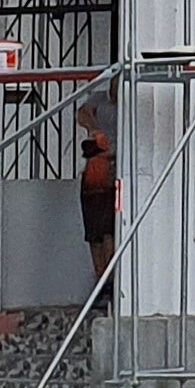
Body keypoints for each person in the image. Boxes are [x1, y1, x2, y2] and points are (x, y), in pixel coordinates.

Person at [76, 107, 118, 289]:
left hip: (111, 179)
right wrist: (94, 129)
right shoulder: (99, 101)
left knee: (109, 230)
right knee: (94, 233)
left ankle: (109, 276)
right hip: (94, 181)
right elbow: (82, 112)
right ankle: (100, 275)